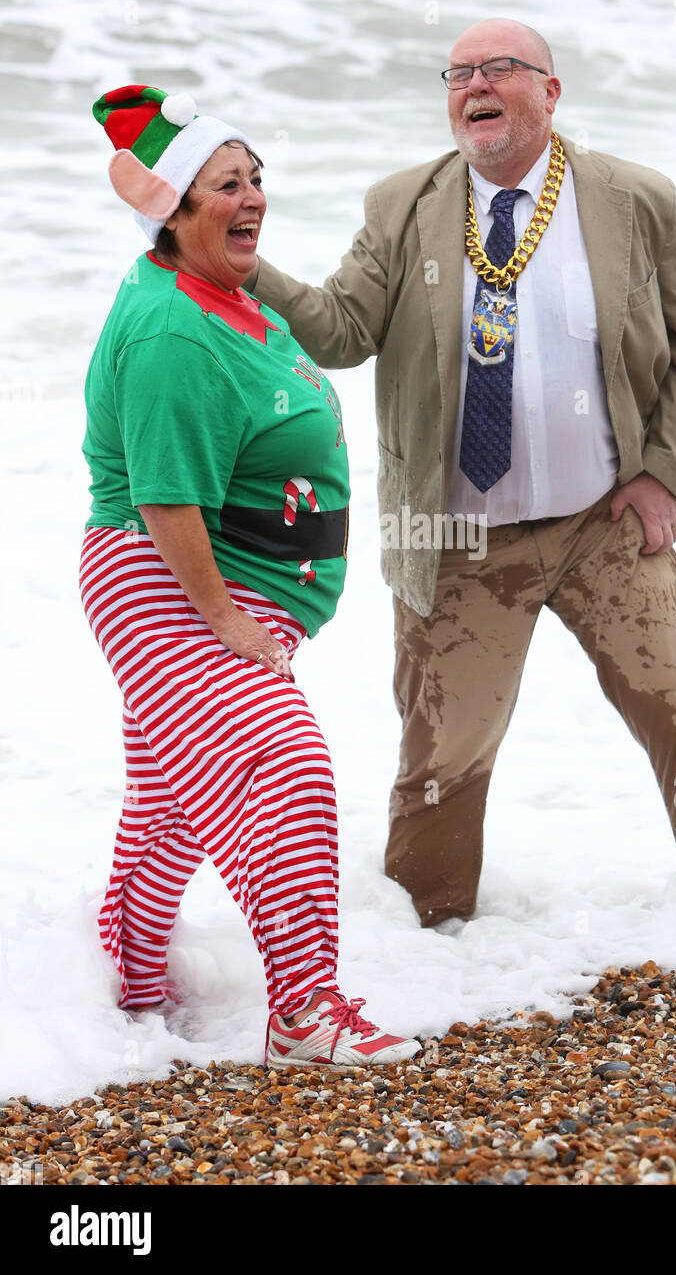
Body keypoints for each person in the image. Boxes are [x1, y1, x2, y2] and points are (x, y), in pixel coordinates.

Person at [243, 18, 676, 936]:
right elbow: (340, 332)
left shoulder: (635, 199)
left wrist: (660, 477)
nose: (474, 84)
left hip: (603, 522)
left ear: (549, 91)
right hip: (457, 536)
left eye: (499, 68)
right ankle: (428, 930)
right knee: (442, 754)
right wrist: (245, 268)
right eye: (458, 72)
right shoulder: (402, 203)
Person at [80, 84, 420, 1071]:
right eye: (226, 183)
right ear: (176, 209)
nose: (252, 197)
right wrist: (224, 615)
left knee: (174, 799)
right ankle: (304, 1015)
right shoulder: (171, 333)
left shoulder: (227, 296)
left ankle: (124, 988)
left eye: (256, 177)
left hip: (214, 582)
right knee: (285, 767)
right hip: (171, 581)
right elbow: (166, 500)